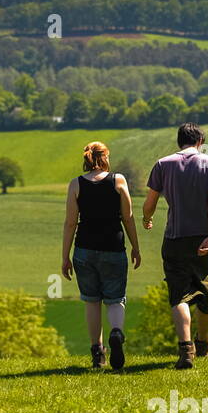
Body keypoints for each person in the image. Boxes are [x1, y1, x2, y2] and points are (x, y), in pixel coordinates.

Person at [142, 123, 208, 370]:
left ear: (179, 141)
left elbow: (150, 202)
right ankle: (203, 340)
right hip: (202, 237)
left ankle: (186, 348)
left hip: (174, 238)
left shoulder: (162, 164)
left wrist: (147, 219)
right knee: (207, 289)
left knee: (178, 294)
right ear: (200, 140)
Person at [61, 141, 142, 370]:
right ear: (106, 157)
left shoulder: (75, 185)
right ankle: (116, 332)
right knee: (115, 299)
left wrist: (65, 256)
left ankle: (98, 353)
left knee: (92, 300)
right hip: (113, 248)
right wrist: (135, 246)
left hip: (85, 249)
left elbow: (70, 223)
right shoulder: (118, 180)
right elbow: (128, 217)